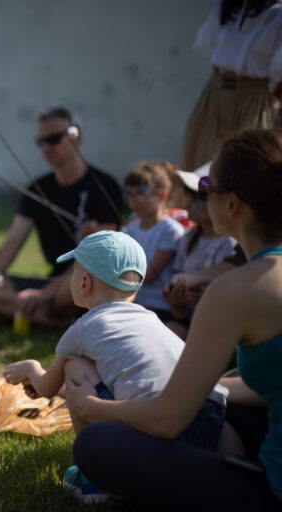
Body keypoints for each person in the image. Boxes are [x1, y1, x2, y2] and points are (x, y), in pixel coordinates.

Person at [66, 129, 282, 510]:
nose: (199, 196)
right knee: (217, 407)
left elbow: (166, 420)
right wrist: (204, 383)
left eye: (205, 187)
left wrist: (92, 407)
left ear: (230, 204)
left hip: (272, 493)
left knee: (95, 445)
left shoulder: (235, 290)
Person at [3, 230, 228, 504]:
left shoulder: (81, 329)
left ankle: (95, 479)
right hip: (208, 422)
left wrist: (31, 368)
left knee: (74, 366)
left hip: (156, 434)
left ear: (84, 282)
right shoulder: (151, 319)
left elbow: (47, 387)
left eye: (72, 273)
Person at [0, 106, 123, 328]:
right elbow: (11, 244)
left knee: (73, 289)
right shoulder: (37, 188)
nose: (47, 147)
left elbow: (100, 258)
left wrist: (43, 295)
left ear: (76, 136)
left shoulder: (105, 186)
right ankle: (58, 321)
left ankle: (34, 313)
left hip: (87, 279)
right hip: (55, 281)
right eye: (41, 142)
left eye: (54, 139)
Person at [181, 0, 282, 172]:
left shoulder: (278, 15)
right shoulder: (226, 6)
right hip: (215, 93)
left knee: (243, 165)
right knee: (201, 160)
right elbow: (209, 44)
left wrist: (275, 106)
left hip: (252, 99)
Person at [163, 167, 236, 338]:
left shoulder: (231, 242)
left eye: (200, 196)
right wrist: (176, 302)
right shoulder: (187, 238)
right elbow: (178, 311)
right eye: (189, 195)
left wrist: (198, 296)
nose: (188, 204)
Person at [122, 161, 186, 320]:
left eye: (141, 192)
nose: (134, 199)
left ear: (162, 196)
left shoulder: (171, 230)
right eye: (129, 193)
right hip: (132, 304)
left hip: (160, 308)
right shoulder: (129, 229)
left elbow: (149, 275)